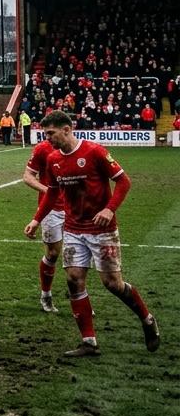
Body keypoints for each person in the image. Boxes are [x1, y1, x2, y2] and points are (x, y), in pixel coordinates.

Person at [24, 111, 159, 357]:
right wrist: (36, 220)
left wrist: (109, 209)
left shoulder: (95, 152)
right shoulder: (53, 159)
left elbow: (124, 182)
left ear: (67, 129)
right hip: (74, 229)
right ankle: (89, 341)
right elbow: (52, 194)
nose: (48, 139)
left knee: (112, 284)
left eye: (51, 133)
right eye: (45, 134)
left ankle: (147, 319)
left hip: (102, 229)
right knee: (74, 280)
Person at [22, 137, 66, 312]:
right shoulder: (42, 149)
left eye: (51, 131)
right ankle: (46, 295)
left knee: (76, 256)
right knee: (53, 254)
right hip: (51, 209)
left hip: (75, 208)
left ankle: (80, 298)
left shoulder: (77, 149)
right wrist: (49, 191)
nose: (48, 136)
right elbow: (27, 176)